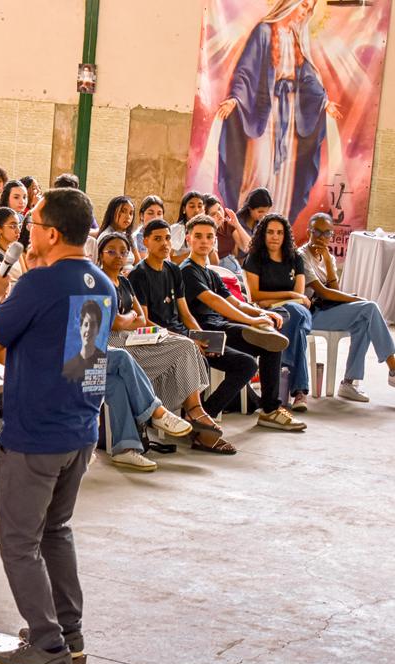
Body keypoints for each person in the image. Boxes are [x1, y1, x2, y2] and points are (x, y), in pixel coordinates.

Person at [0, 187, 113, 664]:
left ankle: (48, 648)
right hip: (79, 428)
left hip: (36, 434)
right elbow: (73, 357)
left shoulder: (37, 285)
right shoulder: (101, 282)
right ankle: (69, 634)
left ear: (51, 233)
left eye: (32, 225)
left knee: (18, 541)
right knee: (56, 530)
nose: (27, 233)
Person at [97, 232, 224, 460]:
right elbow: (115, 323)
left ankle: (194, 409)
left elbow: (141, 319)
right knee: (161, 351)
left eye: (123, 252)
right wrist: (129, 318)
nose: (118, 256)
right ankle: (160, 413)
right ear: (100, 254)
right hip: (111, 341)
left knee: (185, 344)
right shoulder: (99, 281)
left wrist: (129, 319)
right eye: (111, 252)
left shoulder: (124, 281)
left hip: (132, 336)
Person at [128, 220, 248, 454]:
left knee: (241, 362)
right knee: (190, 351)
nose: (165, 243)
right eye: (157, 239)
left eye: (167, 238)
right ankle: (196, 415)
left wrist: (199, 335)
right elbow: (145, 321)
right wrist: (187, 340)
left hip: (180, 334)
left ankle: (197, 419)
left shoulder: (173, 270)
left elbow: (184, 312)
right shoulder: (139, 275)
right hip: (155, 337)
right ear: (146, 242)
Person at [215, 0, 336, 224]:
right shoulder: (264, 31)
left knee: (283, 178)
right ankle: (245, 226)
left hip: (288, 117)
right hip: (264, 113)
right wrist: (235, 99)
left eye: (310, 9)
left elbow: (307, 77)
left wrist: (323, 101)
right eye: (304, 5)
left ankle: (274, 227)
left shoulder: (295, 38)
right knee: (259, 170)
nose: (306, 12)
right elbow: (246, 71)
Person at [181, 214, 306, 430]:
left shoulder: (211, 274)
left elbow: (236, 302)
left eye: (209, 237)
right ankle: (204, 415)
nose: (204, 241)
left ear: (214, 241)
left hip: (222, 328)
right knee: (249, 361)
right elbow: (215, 301)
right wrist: (251, 320)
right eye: (198, 236)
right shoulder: (187, 270)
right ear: (188, 239)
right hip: (204, 333)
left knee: (272, 344)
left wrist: (261, 314)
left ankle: (269, 411)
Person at [300, 213, 395, 400]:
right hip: (310, 313)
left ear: (331, 235)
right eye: (316, 232)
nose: (321, 237)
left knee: (364, 322)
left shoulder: (328, 257)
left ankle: (349, 383)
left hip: (327, 310)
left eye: (327, 233)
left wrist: (328, 263)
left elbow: (335, 291)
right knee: (369, 308)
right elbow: (324, 293)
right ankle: (393, 365)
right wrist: (355, 299)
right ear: (308, 232)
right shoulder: (301, 256)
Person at [242, 212, 313, 411]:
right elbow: (255, 296)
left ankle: (284, 366)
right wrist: (288, 294)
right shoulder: (255, 258)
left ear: (285, 235)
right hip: (271, 313)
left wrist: (272, 299)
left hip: (294, 311)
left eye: (279, 233)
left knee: (296, 313)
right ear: (263, 234)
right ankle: (300, 391)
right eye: (270, 232)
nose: (275, 236)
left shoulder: (295, 258)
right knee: (298, 331)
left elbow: (300, 297)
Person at [169, 191, 205, 263]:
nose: (196, 210)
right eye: (192, 206)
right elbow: (168, 260)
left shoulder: (207, 229)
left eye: (200, 206)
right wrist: (193, 254)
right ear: (184, 209)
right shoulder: (178, 229)